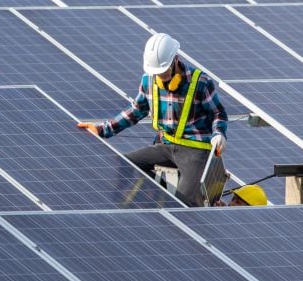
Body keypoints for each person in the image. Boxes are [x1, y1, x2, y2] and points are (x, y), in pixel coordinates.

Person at [78, 33, 228, 207]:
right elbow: (136, 110)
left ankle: (174, 215)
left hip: (195, 151)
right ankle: (133, 210)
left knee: (183, 205)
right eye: (157, 72)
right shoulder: (148, 80)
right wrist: (102, 130)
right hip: (165, 145)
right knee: (126, 163)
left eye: (163, 71)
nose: (161, 77)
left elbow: (218, 113)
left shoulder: (201, 82)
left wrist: (219, 134)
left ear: (176, 60)